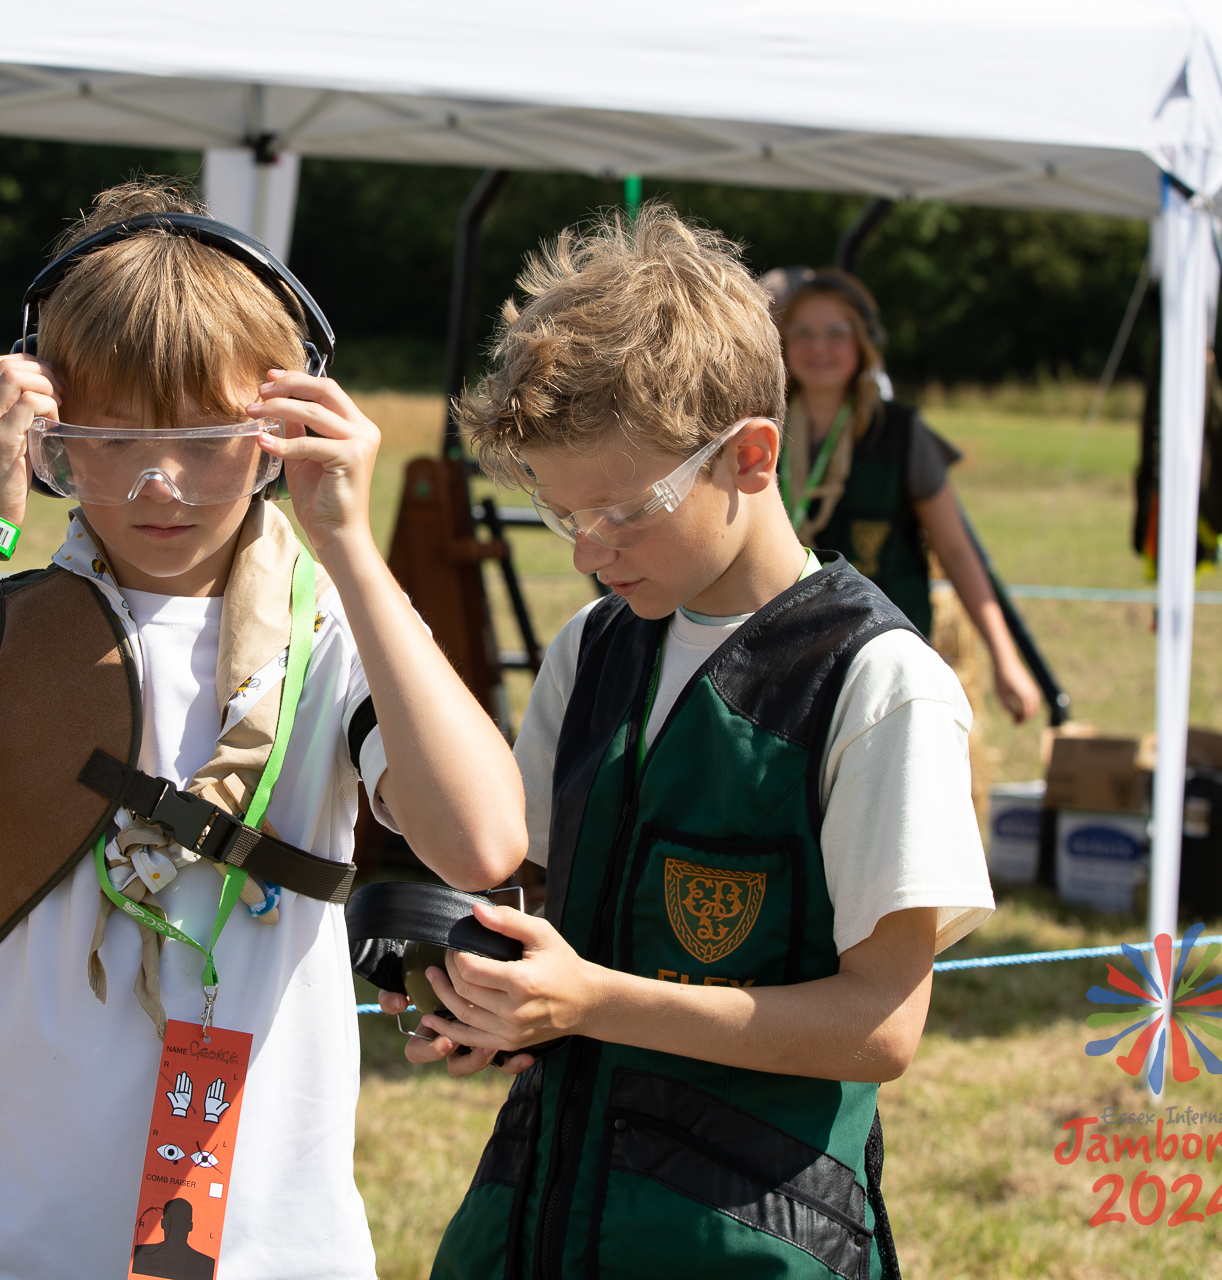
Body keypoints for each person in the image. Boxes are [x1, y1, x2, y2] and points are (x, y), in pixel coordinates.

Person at [0, 179, 526, 1279]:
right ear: (45, 433)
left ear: (283, 427)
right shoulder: (0, 623)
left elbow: (480, 840)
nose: (161, 479)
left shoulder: (328, 626)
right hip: (29, 1233)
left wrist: (352, 547)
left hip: (274, 1236)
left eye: (208, 437)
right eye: (110, 438)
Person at [381, 205, 995, 1279]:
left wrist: (593, 1000)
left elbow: (881, 1025)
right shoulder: (593, 645)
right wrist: (484, 994)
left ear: (752, 456)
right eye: (559, 514)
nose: (588, 552)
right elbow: (539, 902)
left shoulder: (879, 683)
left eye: (623, 511)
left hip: (740, 1245)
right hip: (536, 1219)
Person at [771, 269, 1042, 723]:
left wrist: (1005, 658)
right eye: (803, 333)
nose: (819, 348)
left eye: (836, 333)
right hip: (786, 652)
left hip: (882, 658)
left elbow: (955, 549)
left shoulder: (901, 433)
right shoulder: (764, 429)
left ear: (862, 345)